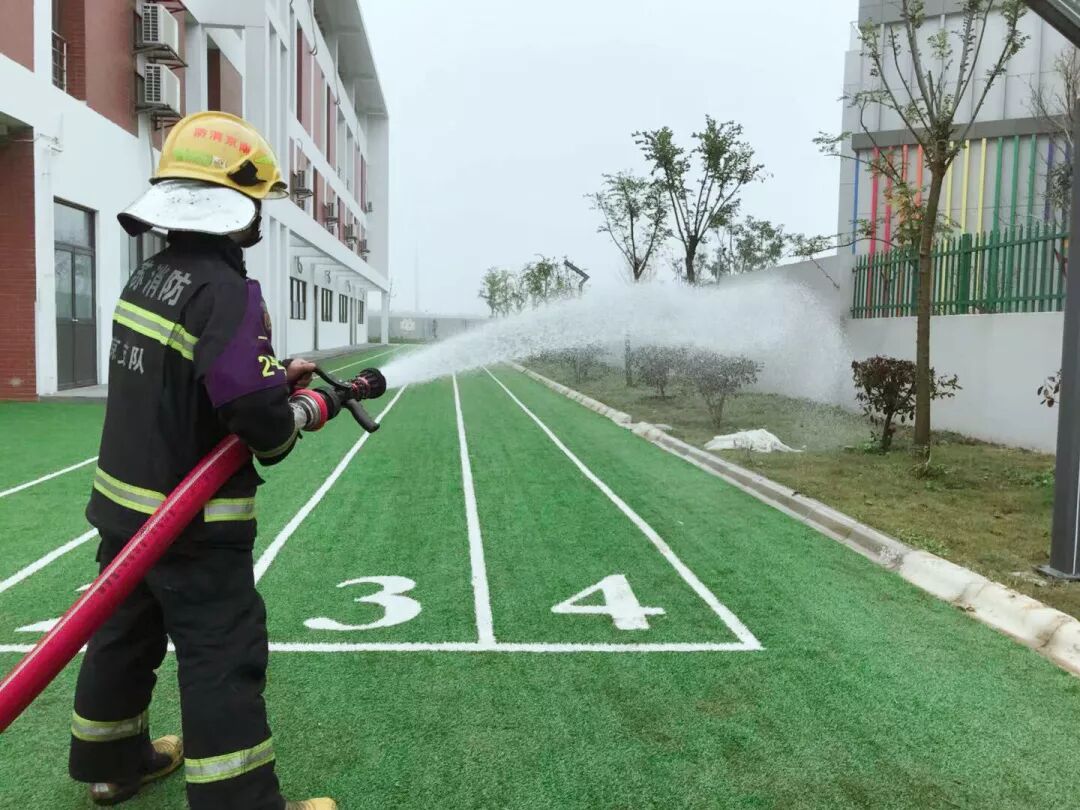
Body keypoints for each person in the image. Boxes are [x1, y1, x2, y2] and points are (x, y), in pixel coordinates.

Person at [68, 111, 338, 810]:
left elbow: (183, 381)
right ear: (239, 207)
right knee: (222, 654)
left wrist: (270, 374)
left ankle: (111, 765)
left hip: (126, 512)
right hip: (190, 526)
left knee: (123, 633)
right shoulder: (226, 292)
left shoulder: (148, 277)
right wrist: (286, 419)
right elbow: (250, 411)